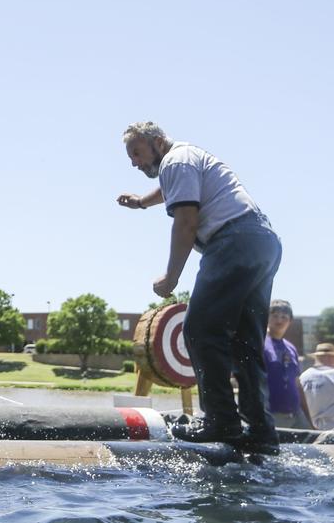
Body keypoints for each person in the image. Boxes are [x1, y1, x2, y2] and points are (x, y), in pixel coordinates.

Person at [118, 122, 282, 455]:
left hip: (231, 243)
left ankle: (221, 420)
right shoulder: (186, 158)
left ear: (156, 142)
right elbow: (170, 190)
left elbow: (187, 221)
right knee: (245, 341)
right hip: (261, 242)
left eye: (136, 153)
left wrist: (170, 278)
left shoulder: (175, 161)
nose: (134, 163)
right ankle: (261, 430)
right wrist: (140, 202)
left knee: (200, 329)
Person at [263, 299, 312, 429]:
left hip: (296, 414)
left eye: (284, 317)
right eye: (275, 316)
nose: (279, 320)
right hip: (272, 414)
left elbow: (297, 383)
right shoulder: (260, 344)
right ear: (267, 318)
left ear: (290, 321)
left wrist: (308, 418)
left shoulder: (291, 348)